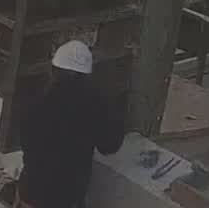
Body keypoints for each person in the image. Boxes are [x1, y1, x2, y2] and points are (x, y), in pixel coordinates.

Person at [14, 40, 126, 208]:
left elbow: (25, 140)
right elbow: (110, 146)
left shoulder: (36, 101)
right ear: (86, 75)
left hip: (31, 192)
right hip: (67, 198)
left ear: (54, 70)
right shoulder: (95, 106)